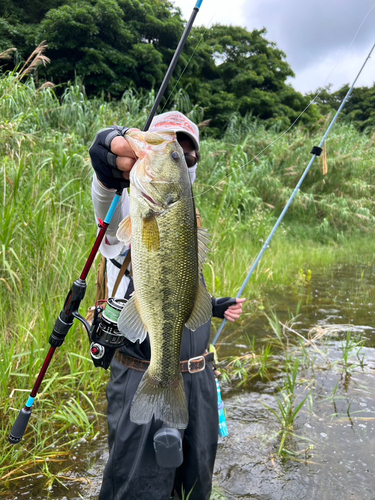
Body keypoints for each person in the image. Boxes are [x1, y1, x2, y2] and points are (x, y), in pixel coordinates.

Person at [89, 111, 245, 500]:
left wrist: (214, 305)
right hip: (140, 372)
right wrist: (107, 167)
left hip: (199, 380)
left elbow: (180, 286)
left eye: (184, 154)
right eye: (164, 141)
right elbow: (106, 210)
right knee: (135, 490)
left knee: (196, 488)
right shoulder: (129, 204)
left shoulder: (186, 215)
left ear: (191, 168)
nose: (175, 151)